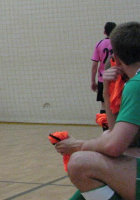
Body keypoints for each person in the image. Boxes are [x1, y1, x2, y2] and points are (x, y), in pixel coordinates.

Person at [55, 21, 140, 200]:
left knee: (80, 163)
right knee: (106, 139)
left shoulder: (137, 84)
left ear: (115, 56)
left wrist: (78, 145)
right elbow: (119, 136)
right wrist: (108, 90)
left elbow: (114, 146)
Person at [90, 22, 116, 123]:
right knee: (119, 104)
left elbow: (94, 65)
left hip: (103, 79)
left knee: (104, 105)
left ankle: (106, 131)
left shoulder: (99, 44)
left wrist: (93, 81)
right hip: (116, 78)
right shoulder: (118, 44)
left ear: (104, 32)